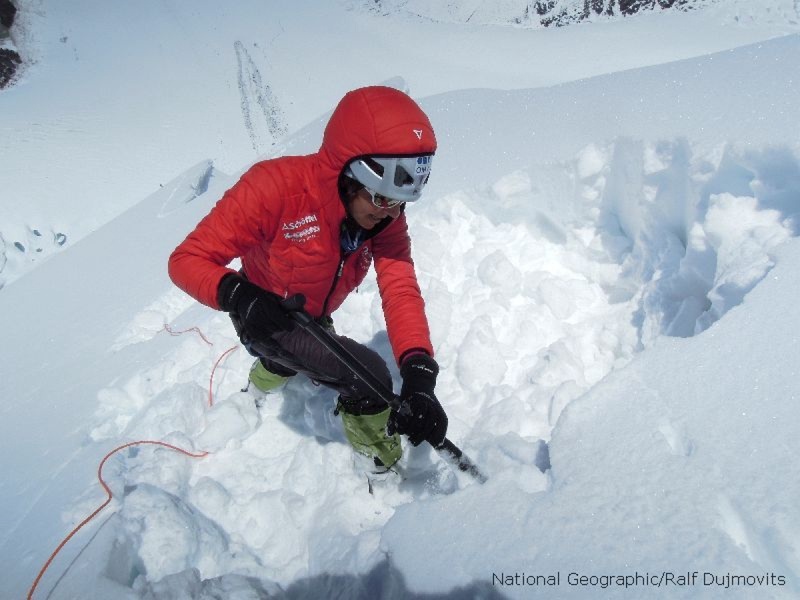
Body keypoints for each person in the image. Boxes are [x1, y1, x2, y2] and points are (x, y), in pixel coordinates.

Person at [168, 86, 448, 472]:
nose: (391, 214)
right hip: (262, 314)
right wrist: (239, 296)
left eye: (400, 203)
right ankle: (382, 465)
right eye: (382, 198)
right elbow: (187, 259)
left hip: (310, 313)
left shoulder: (384, 216)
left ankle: (263, 381)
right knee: (369, 380)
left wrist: (419, 373)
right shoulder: (275, 188)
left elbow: (399, 287)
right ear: (348, 176)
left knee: (292, 359)